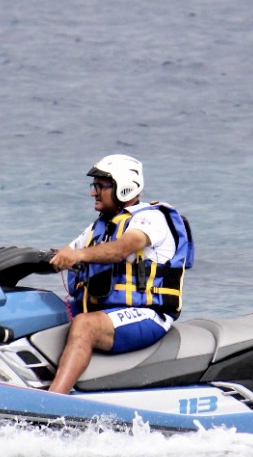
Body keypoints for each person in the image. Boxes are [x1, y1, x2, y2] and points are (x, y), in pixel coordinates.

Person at [45, 154, 194, 394]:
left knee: (85, 326)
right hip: (107, 310)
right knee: (42, 310)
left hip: (148, 314)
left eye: (100, 186)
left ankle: (52, 400)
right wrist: (13, 255)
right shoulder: (100, 227)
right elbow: (64, 254)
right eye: (94, 186)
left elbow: (122, 249)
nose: (94, 193)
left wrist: (80, 256)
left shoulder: (151, 218)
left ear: (123, 187)